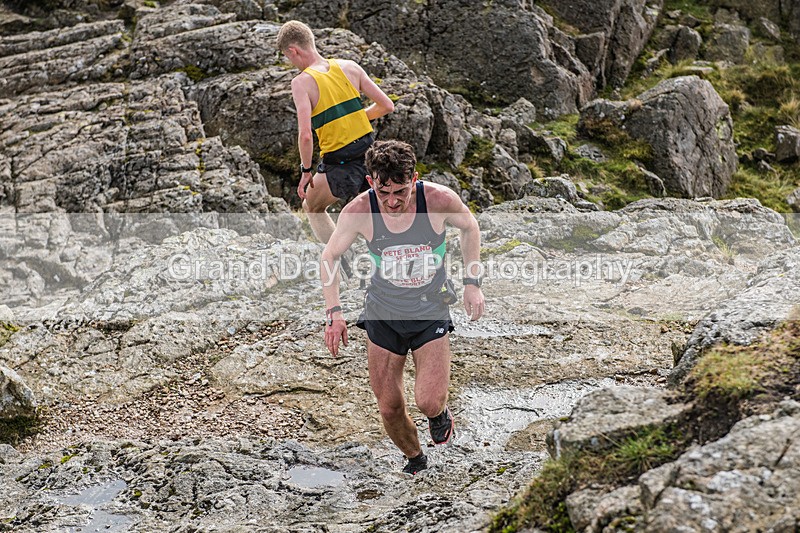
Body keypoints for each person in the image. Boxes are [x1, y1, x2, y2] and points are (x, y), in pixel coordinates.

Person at [319, 140, 486, 474]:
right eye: (384, 193)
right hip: (383, 311)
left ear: (415, 179)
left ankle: (439, 415)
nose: (393, 201)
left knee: (428, 400)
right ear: (371, 183)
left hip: (429, 308)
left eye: (401, 192)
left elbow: (470, 227)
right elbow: (329, 256)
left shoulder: (438, 200)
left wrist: (472, 284)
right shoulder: (358, 212)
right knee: (390, 408)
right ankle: (416, 459)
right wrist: (333, 314)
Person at [276, 20, 395, 245]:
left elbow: (306, 135)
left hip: (339, 160)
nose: (290, 62)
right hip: (370, 151)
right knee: (378, 209)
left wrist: (306, 171)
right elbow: (386, 106)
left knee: (312, 206)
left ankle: (341, 262)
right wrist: (354, 118)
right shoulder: (349, 66)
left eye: (287, 57)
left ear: (293, 50)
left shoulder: (301, 82)